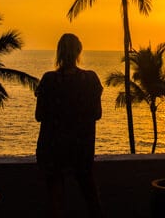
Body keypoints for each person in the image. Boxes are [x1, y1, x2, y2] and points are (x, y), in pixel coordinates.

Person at [35, 33, 104, 218]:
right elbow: (97, 114)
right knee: (91, 198)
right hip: (81, 148)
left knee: (56, 201)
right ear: (79, 51)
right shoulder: (90, 80)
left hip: (53, 148)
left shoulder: (49, 80)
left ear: (58, 53)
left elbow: (39, 115)